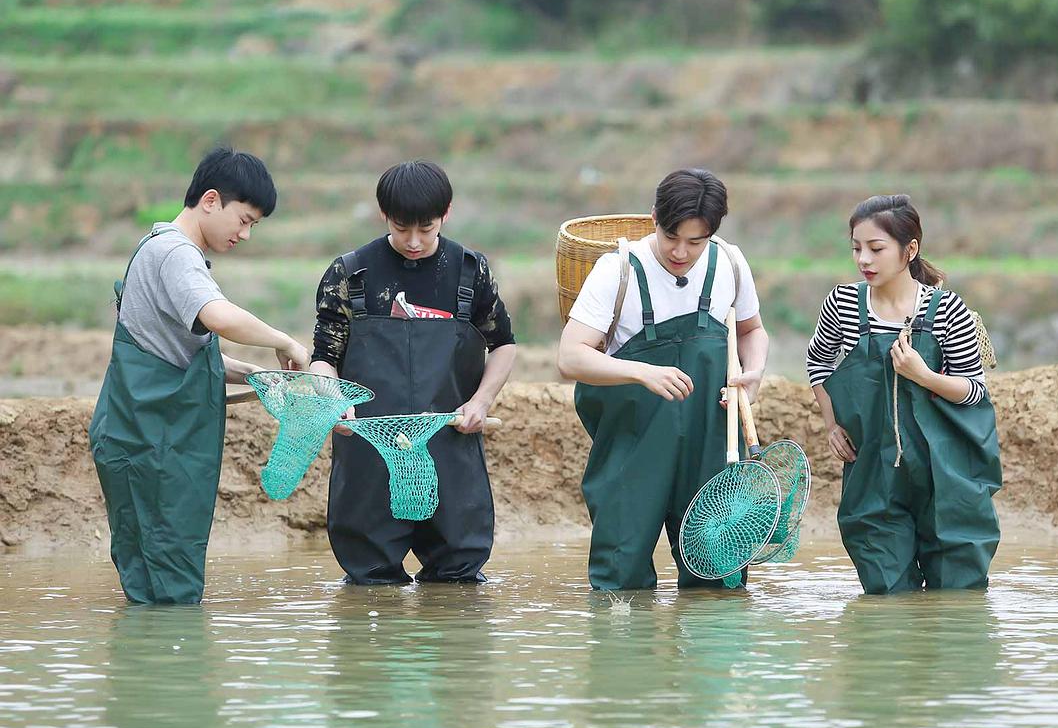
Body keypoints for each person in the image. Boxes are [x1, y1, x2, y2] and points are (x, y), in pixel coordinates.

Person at [90, 147, 311, 605]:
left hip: (140, 442)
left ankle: (151, 668)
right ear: (211, 201)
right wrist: (284, 341)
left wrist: (255, 375)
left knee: (150, 590)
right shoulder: (177, 254)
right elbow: (219, 317)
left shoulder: (153, 247)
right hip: (154, 450)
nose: (246, 235)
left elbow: (178, 356)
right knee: (173, 594)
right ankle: (177, 672)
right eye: (245, 219)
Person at [557, 168, 768, 590]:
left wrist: (753, 374)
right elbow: (571, 356)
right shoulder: (616, 270)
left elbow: (751, 331)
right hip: (634, 446)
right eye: (672, 236)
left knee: (718, 572)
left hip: (711, 442)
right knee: (621, 576)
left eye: (696, 241)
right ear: (654, 216)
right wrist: (642, 372)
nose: (681, 252)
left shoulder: (729, 261)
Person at [310, 160, 516, 585]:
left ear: (447, 213)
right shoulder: (350, 273)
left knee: (458, 580)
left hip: (449, 445)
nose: (415, 241)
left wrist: (480, 402)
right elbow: (324, 355)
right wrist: (333, 402)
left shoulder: (469, 271)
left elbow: (503, 345)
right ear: (384, 215)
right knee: (369, 583)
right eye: (403, 228)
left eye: (427, 228)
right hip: (368, 450)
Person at [807, 194, 1001, 594]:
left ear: (910, 249)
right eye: (857, 248)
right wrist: (831, 425)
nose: (864, 260)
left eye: (876, 249)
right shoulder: (843, 305)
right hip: (875, 472)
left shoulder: (947, 310)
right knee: (886, 592)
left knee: (957, 594)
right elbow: (818, 365)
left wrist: (923, 375)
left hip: (947, 471)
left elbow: (974, 390)